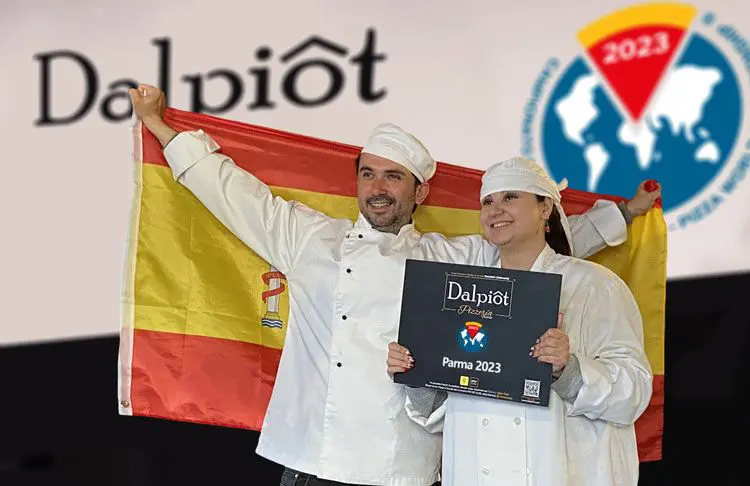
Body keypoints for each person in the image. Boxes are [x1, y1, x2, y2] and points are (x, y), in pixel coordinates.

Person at [128, 83, 659, 486]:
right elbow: (233, 195)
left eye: (393, 176)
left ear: (420, 192)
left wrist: (622, 216)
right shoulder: (310, 238)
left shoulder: (450, 257)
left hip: (401, 466)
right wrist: (159, 126)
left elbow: (530, 246)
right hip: (315, 457)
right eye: (368, 174)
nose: (377, 188)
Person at [387, 156, 654, 486]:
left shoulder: (593, 285)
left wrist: (567, 370)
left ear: (545, 208)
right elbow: (445, 413)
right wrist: (417, 375)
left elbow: (634, 393)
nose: (495, 210)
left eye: (510, 197)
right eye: (488, 202)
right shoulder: (465, 296)